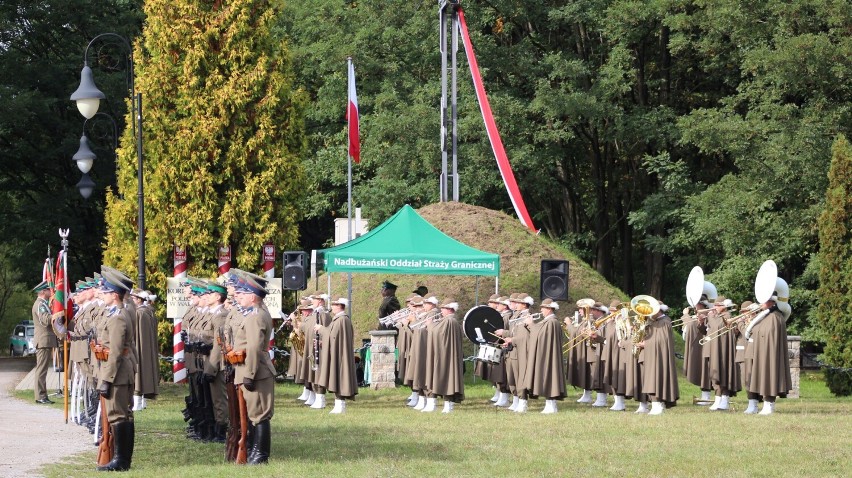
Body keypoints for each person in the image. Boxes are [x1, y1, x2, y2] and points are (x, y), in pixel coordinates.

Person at [94, 268, 138, 471]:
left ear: (114, 295)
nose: (101, 295)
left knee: (119, 415)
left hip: (117, 373)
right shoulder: (114, 314)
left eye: (105, 292)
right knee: (119, 414)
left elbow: (116, 352)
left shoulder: (118, 317)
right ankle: (121, 459)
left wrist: (107, 379)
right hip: (116, 371)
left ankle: (121, 460)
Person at [232, 274, 276, 464]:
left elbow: (253, 347)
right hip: (251, 370)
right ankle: (255, 451)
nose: (238, 296)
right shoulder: (256, 314)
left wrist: (249, 374)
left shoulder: (255, 316)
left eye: (243, 293)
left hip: (255, 372)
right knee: (254, 414)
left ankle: (260, 455)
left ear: (252, 296)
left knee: (259, 415)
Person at [744, 288, 792, 415]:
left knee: (769, 376)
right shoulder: (766, 316)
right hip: (761, 352)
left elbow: (770, 337)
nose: (761, 303)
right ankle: (762, 404)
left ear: (771, 302)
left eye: (764, 300)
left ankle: (769, 404)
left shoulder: (775, 317)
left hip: (769, 354)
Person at [314, 296, 358, 414]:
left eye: (334, 305)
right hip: (338, 352)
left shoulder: (342, 319)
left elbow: (333, 335)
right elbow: (335, 337)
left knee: (340, 377)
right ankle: (338, 404)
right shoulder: (339, 319)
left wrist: (321, 329)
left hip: (340, 354)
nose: (332, 307)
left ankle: (340, 405)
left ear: (339, 306)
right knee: (337, 377)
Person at [523, 298, 566, 413]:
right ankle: (549, 405)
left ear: (549, 309)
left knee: (550, 378)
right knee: (548, 378)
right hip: (547, 354)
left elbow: (541, 336)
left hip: (549, 356)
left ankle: (551, 405)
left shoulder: (552, 322)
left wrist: (531, 324)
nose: (541, 310)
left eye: (543, 308)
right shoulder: (549, 321)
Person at [635, 303, 679, 415]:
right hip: (650, 355)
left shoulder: (665, 322)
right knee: (650, 379)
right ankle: (654, 405)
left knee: (657, 379)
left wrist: (646, 343)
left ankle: (658, 405)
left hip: (659, 356)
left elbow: (663, 341)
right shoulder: (652, 322)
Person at [423, 298, 465, 413]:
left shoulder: (449, 321)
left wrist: (430, 325)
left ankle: (448, 406)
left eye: (444, 308)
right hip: (447, 355)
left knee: (448, 379)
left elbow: (438, 333)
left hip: (447, 356)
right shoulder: (450, 321)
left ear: (450, 309)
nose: (441, 310)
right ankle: (445, 405)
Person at [705, 297, 740, 411]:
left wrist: (710, 316)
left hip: (723, 350)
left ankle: (724, 399)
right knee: (714, 374)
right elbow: (707, 330)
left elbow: (717, 327)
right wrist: (702, 321)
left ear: (724, 306)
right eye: (714, 305)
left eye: (717, 305)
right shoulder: (715, 317)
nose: (714, 307)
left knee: (724, 373)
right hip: (713, 348)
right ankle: (717, 399)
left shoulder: (727, 317)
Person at [129, 290, 159, 411]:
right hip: (144, 347)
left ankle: (137, 403)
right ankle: (141, 402)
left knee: (139, 374)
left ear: (138, 300)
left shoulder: (140, 313)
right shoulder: (147, 312)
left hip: (139, 347)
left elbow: (136, 334)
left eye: (133, 298)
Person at [682, 299, 712, 403]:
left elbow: (691, 326)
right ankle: (705, 396)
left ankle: (706, 396)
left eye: (697, 304)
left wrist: (685, 316)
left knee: (705, 372)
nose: (695, 306)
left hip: (705, 346)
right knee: (702, 371)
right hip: (700, 347)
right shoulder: (700, 315)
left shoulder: (706, 315)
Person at [32, 280, 57, 404]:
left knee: (43, 369)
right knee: (41, 369)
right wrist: (56, 316)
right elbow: (45, 320)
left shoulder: (42, 304)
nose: (50, 291)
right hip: (43, 340)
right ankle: (40, 396)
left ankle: (42, 395)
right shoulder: (40, 305)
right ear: (43, 292)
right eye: (48, 290)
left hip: (44, 340)